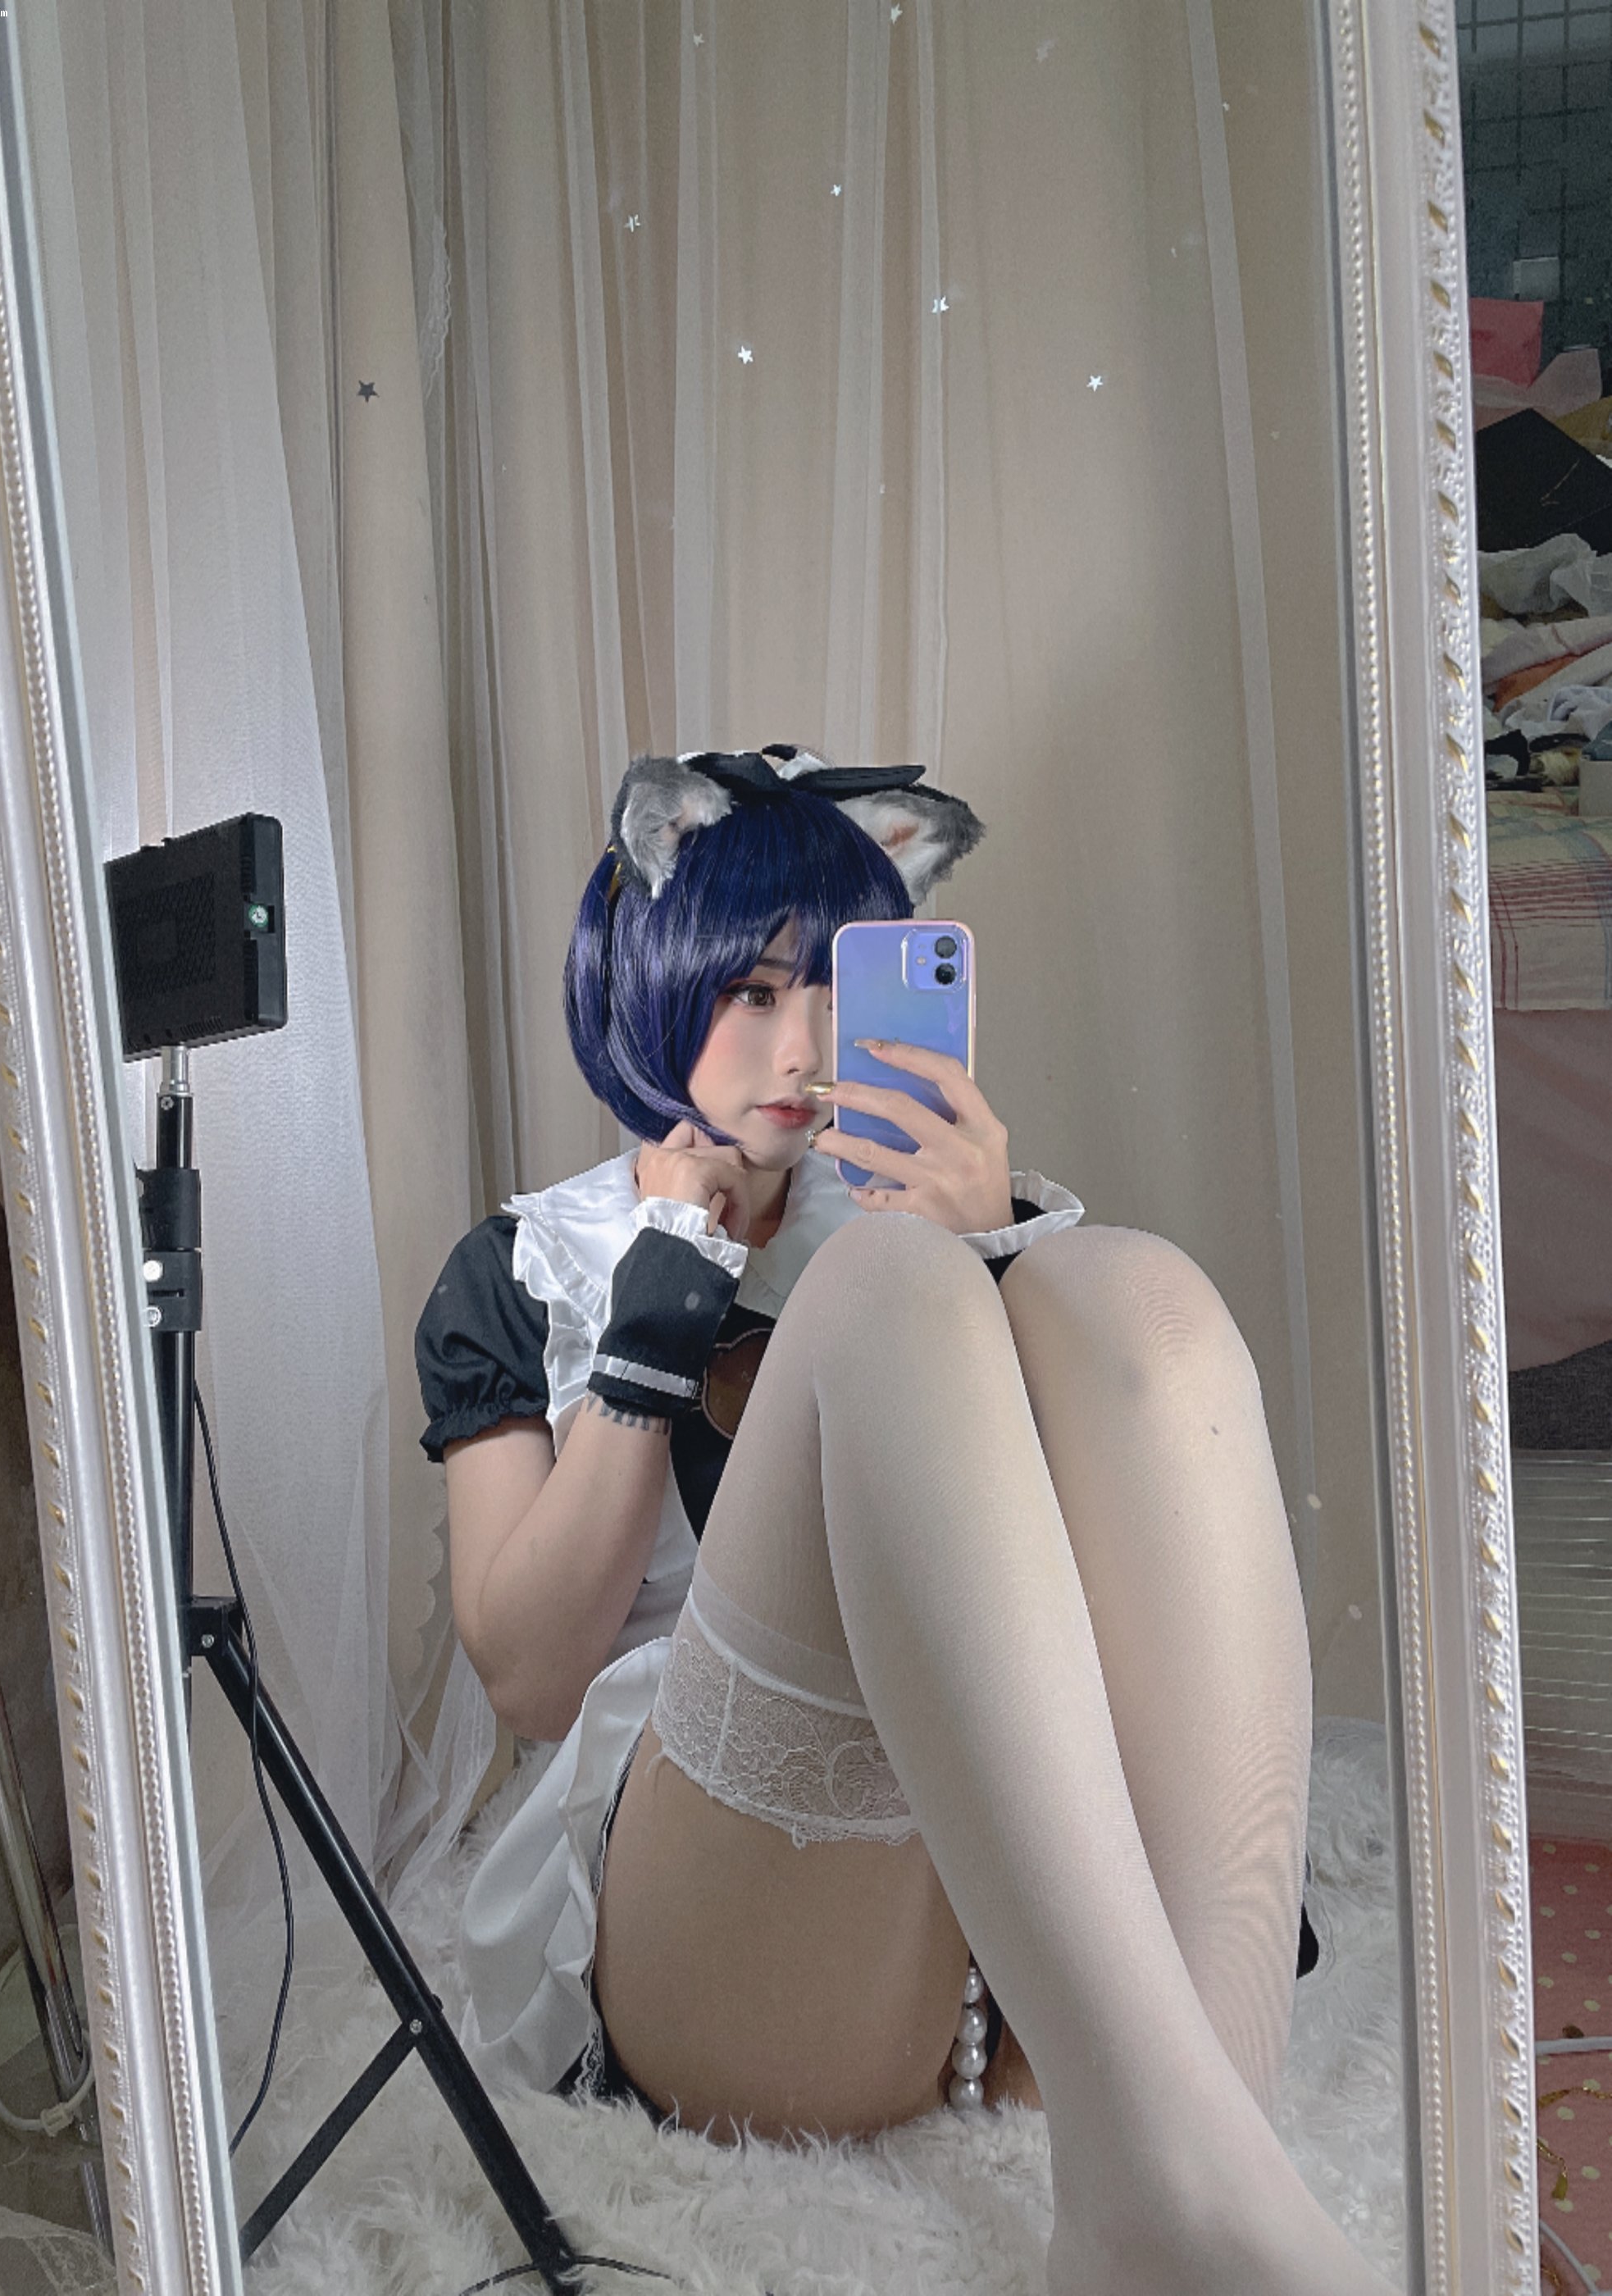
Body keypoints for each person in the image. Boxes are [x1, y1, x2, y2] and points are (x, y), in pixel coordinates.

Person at [415, 746, 1398, 2296]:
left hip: (1024, 1950)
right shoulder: (528, 1265)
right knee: (887, 1288)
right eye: (752, 991)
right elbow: (532, 1679)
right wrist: (654, 1321)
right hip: (734, 1930)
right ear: (656, 980)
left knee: (1134, 1288)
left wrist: (1000, 1260)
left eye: (839, 990)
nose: (804, 1047)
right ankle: (1171, 2189)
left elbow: (1093, 1587)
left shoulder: (903, 1212)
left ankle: (1199, 2167)